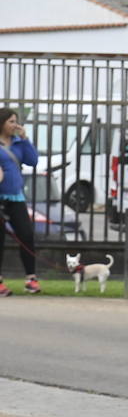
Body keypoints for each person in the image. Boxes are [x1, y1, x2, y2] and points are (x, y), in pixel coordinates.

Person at [0, 108, 42, 296]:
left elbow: (33, 161)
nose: (15, 125)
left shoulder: (18, 143)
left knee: (26, 234)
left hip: (16, 197)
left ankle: (31, 278)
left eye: (16, 121)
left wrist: (25, 139)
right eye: (11, 121)